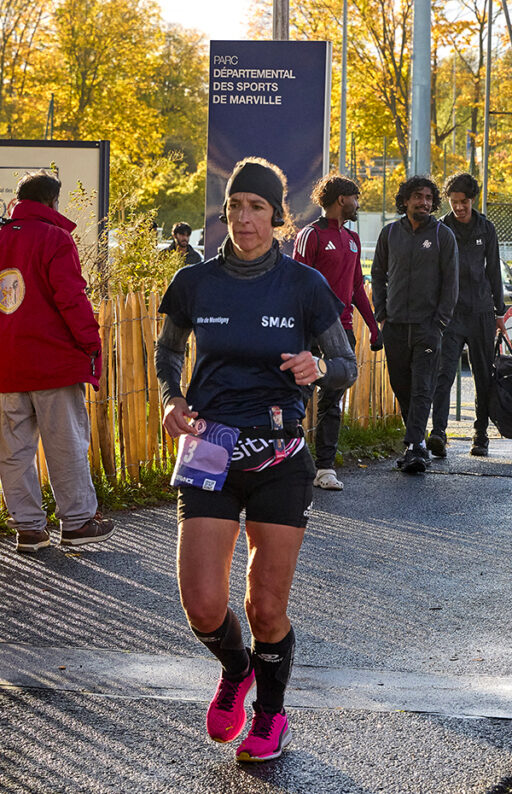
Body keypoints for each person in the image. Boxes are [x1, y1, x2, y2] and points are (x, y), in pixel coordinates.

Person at [156, 158, 357, 763]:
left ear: (276, 216)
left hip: (279, 456)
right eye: (236, 205)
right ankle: (236, 668)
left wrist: (317, 368)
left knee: (265, 605)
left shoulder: (302, 285)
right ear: (226, 211)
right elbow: (167, 351)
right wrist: (172, 398)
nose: (245, 219)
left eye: (258, 208)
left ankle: (270, 714)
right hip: (210, 449)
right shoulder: (195, 282)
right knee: (202, 603)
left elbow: (345, 363)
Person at [0, 171, 114, 553]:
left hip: (6, 363)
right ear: (51, 202)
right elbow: (70, 297)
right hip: (50, 360)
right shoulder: (54, 238)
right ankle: (78, 521)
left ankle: (29, 528)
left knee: (13, 450)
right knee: (64, 441)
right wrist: (90, 343)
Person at [294, 174, 379, 489]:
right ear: (342, 199)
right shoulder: (310, 235)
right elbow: (297, 284)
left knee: (333, 398)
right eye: (355, 198)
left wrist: (372, 327)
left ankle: (325, 468)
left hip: (343, 331)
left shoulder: (353, 239)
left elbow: (357, 287)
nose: (358, 204)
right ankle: (289, 460)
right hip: (311, 331)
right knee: (297, 396)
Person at [371, 175, 458, 474]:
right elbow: (378, 274)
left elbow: (451, 283)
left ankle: (414, 447)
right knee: (402, 386)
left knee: (423, 387)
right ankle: (416, 442)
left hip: (427, 327)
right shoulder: (390, 233)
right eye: (417, 196)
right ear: (405, 200)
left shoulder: (442, 235)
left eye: (429, 198)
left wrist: (440, 321)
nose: (424, 202)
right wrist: (381, 313)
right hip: (394, 325)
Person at [428, 172, 505, 458]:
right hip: (450, 314)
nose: (459, 207)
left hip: (482, 312)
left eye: (463, 201)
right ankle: (438, 432)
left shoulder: (486, 228)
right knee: (444, 373)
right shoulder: (440, 229)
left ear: (472, 199)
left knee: (483, 374)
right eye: (454, 201)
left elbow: (493, 270)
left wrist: (500, 310)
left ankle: (480, 434)